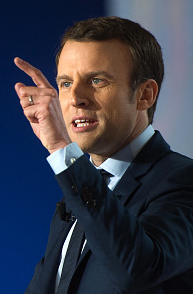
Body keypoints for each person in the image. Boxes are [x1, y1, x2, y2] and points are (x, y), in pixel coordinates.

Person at [14, 16, 193, 293]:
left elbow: (137, 270)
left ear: (145, 94)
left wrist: (63, 150)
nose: (75, 98)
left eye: (96, 80)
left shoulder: (183, 181)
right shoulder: (78, 193)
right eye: (65, 83)